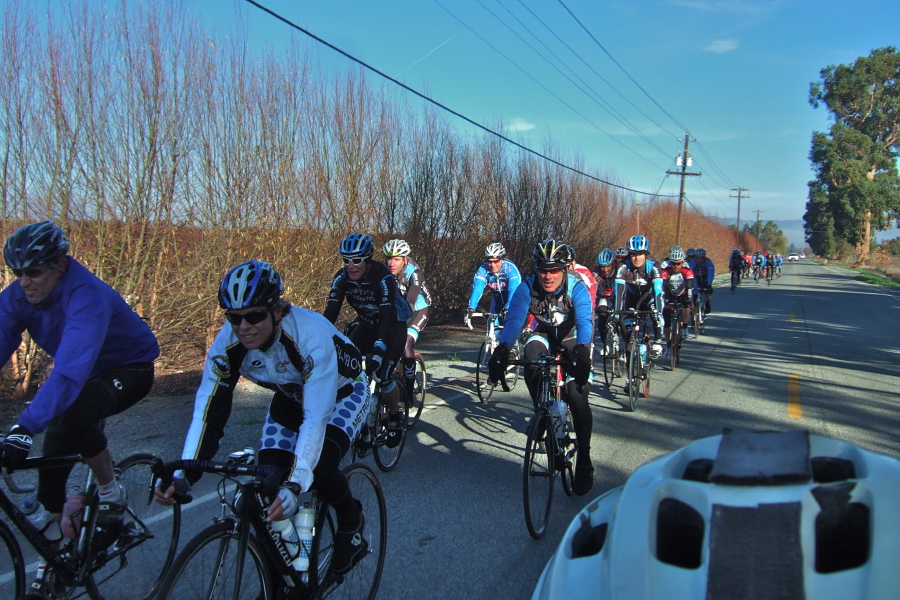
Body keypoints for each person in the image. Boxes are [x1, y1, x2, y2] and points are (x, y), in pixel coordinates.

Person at [154, 260, 370, 575]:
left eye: (254, 315)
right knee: (268, 477)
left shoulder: (308, 336)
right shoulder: (227, 344)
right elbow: (208, 409)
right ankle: (287, 574)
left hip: (343, 394)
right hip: (291, 396)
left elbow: (316, 417)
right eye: (234, 318)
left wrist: (296, 483)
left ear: (277, 311)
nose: (243, 327)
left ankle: (351, 522)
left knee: (318, 466)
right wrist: (185, 473)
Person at [0, 221, 159, 545]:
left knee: (75, 415)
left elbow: (69, 371)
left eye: (32, 272)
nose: (24, 282)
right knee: (49, 483)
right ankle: (54, 567)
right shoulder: (18, 295)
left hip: (129, 368)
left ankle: (111, 492)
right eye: (17, 272)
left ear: (59, 265)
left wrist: (24, 428)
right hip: (84, 373)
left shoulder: (86, 294)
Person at [488, 239, 595, 494]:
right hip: (543, 332)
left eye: (554, 270)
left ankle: (585, 459)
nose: (547, 276)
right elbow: (514, 321)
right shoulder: (527, 287)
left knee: (577, 395)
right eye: (542, 269)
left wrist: (582, 351)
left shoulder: (577, 286)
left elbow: (585, 321)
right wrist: (502, 349)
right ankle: (542, 412)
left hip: (572, 337)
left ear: (564, 270)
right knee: (531, 355)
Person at [323, 233, 410, 448]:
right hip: (366, 325)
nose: (350, 266)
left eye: (356, 260)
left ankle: (394, 418)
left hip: (392, 328)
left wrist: (380, 349)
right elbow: (330, 313)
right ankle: (357, 417)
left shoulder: (384, 279)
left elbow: (387, 316)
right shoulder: (341, 278)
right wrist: (318, 340)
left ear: (368, 260)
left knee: (383, 374)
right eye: (346, 260)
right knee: (346, 370)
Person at [382, 239, 432, 398]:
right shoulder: (383, 271)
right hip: (396, 310)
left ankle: (409, 391)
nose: (391, 263)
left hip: (418, 310)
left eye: (396, 259)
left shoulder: (414, 273)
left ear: (404, 259)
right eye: (389, 258)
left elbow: (410, 300)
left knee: (405, 344)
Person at [614, 235, 664, 363]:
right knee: (628, 332)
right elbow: (619, 292)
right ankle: (630, 377)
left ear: (646, 254)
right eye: (633, 254)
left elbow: (658, 291)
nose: (637, 258)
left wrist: (658, 311)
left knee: (655, 311)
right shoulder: (623, 266)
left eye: (640, 254)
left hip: (649, 296)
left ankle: (658, 341)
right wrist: (617, 312)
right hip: (632, 298)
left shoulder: (654, 265)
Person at [465, 242, 521, 333]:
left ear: (502, 259)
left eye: (496, 261)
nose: (492, 265)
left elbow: (513, 290)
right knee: (493, 332)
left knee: (510, 335)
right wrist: (471, 308)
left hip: (512, 302)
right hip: (497, 304)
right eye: (490, 261)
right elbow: (477, 289)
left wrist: (508, 308)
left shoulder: (511, 269)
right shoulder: (483, 270)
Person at [660, 246, 694, 350]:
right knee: (666, 321)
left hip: (683, 294)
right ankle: (668, 342)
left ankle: (684, 328)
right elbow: (663, 286)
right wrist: (663, 298)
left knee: (686, 306)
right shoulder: (666, 271)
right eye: (673, 263)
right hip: (670, 294)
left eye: (678, 263)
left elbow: (689, 287)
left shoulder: (687, 271)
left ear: (682, 263)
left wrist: (689, 299)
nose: (675, 266)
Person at [591, 248, 617, 356]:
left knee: (619, 318)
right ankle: (606, 343)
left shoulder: (620, 270)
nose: (605, 269)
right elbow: (592, 288)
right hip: (604, 297)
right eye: (602, 266)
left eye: (608, 266)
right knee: (602, 315)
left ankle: (621, 342)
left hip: (617, 297)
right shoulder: (596, 273)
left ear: (613, 264)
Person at [691, 248, 715, 313]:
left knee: (706, 291)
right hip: (696, 279)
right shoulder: (693, 262)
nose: (699, 260)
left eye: (701, 258)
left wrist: (709, 284)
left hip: (705, 279)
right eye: (698, 258)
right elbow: (690, 273)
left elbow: (710, 274)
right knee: (694, 294)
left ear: (704, 257)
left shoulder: (708, 262)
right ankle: (694, 310)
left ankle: (707, 303)